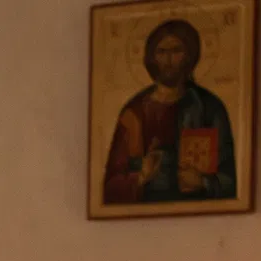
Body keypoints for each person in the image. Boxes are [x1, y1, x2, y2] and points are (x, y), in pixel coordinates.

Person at [101, 18, 236, 204]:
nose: (168, 60)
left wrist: (204, 182)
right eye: (161, 52)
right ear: (152, 57)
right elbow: (110, 186)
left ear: (189, 55)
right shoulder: (134, 112)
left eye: (176, 51)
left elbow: (232, 181)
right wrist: (141, 177)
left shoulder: (209, 108)